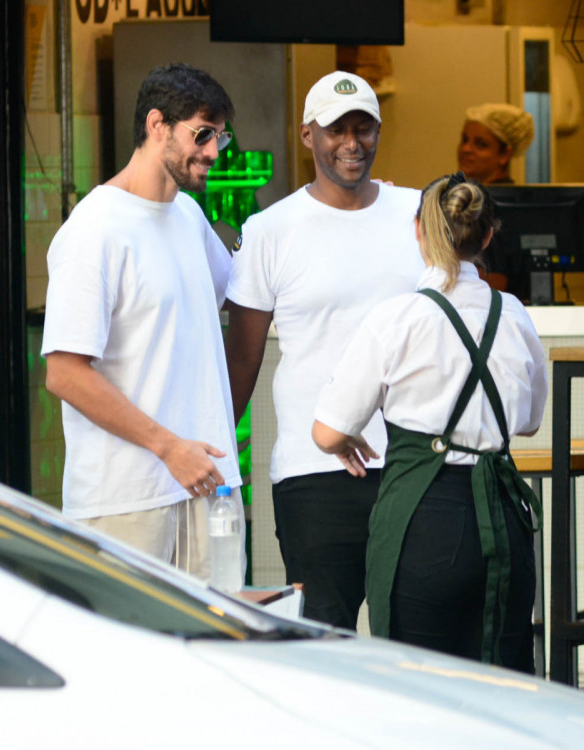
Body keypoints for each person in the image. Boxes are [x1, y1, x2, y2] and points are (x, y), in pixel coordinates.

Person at [312, 173, 547, 670]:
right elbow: (528, 422)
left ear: (419, 231)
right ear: (486, 236)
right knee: (504, 690)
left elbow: (327, 431)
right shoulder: (515, 315)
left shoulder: (396, 318)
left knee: (419, 690)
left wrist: (346, 439)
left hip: (423, 522)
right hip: (503, 525)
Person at [224, 72, 424, 629]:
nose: (351, 143)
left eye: (363, 128)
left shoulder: (418, 216)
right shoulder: (270, 230)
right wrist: (216, 450)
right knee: (323, 636)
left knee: (413, 635)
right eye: (337, 130)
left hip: (412, 464)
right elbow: (242, 357)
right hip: (312, 472)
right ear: (307, 135)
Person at [41, 63, 243, 579]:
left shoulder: (190, 218)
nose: (214, 152)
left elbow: (240, 292)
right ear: (157, 125)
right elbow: (64, 373)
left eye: (220, 137)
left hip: (207, 488)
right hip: (125, 499)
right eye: (202, 134)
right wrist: (168, 447)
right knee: (125, 658)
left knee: (216, 655)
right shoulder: (94, 229)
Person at [456, 103, 535, 185]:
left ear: (505, 155)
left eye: (481, 144)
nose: (465, 149)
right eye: (465, 140)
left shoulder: (505, 197)